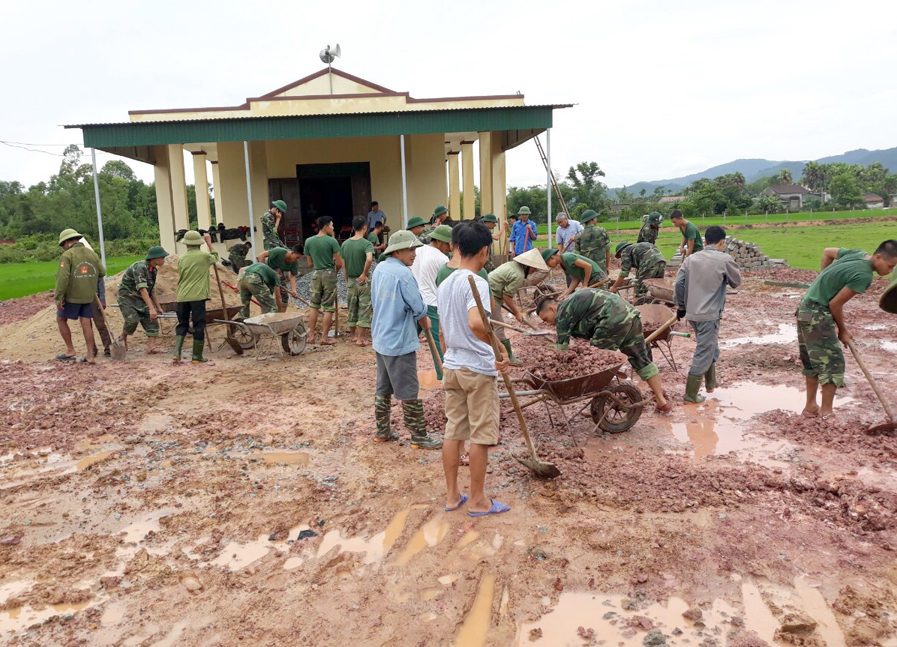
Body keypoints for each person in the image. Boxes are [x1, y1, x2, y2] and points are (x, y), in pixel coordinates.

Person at [437, 221, 511, 516]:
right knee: (480, 434)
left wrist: (451, 357)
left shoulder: (445, 284)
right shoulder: (476, 281)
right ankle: (479, 500)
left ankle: (453, 496)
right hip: (477, 369)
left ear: (455, 247)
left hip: (453, 366)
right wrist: (498, 347)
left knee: (453, 430)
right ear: (483, 252)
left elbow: (444, 332)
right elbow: (477, 323)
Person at [795, 240, 897, 420]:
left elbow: (827, 252)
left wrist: (822, 280)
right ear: (878, 257)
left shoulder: (857, 253)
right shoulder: (864, 276)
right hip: (818, 313)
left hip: (804, 308)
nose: (889, 272)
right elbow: (835, 304)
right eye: (889, 266)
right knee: (834, 362)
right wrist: (843, 330)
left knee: (811, 360)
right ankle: (826, 412)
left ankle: (810, 407)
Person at [536, 289, 672, 413]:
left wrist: (552, 368)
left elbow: (561, 349)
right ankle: (662, 402)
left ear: (552, 308)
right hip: (630, 314)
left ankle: (597, 407)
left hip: (611, 320)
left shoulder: (562, 313)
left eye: (546, 319)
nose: (549, 323)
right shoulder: (571, 303)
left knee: (598, 364)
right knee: (641, 359)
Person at [371, 230, 442, 449]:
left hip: (381, 338)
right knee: (409, 390)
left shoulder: (380, 269)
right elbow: (418, 307)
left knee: (383, 388)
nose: (414, 254)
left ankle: (382, 431)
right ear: (398, 251)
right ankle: (419, 436)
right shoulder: (403, 275)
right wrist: (424, 321)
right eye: (411, 250)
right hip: (399, 342)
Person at [674, 226, 742, 403]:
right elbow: (736, 282)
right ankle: (691, 394)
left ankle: (711, 383)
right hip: (709, 315)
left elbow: (679, 284)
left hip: (692, 313)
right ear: (721, 243)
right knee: (704, 350)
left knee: (710, 345)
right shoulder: (725, 259)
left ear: (704, 242)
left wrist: (681, 306)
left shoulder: (691, 259)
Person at [487, 248, 549, 363]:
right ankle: (506, 356)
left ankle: (492, 352)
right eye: (534, 268)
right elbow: (507, 296)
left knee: (490, 325)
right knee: (498, 326)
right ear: (528, 266)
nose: (534, 271)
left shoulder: (512, 265)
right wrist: (516, 312)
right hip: (490, 295)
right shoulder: (518, 274)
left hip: (491, 292)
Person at [54, 229, 104, 363]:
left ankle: (70, 350)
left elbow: (63, 278)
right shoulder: (92, 254)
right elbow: (102, 272)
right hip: (88, 295)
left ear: (66, 242)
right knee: (86, 323)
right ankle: (90, 355)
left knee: (60, 319)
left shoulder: (67, 255)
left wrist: (58, 297)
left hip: (72, 296)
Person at [411, 224, 453, 380]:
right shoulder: (441, 259)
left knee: (407, 340)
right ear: (440, 241)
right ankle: (444, 376)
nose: (450, 247)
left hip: (416, 301)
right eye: (448, 243)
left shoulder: (419, 250)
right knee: (438, 343)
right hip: (433, 304)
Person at [174, 230, 218, 363]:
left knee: (183, 324)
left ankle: (177, 353)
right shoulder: (204, 256)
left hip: (182, 295)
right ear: (199, 243)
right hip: (198, 295)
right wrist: (210, 243)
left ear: (186, 244)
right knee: (199, 324)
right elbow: (215, 257)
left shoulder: (181, 258)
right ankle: (196, 356)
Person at [118, 246, 168, 355]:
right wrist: (151, 308)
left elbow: (151, 290)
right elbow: (142, 289)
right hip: (127, 298)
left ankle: (151, 347)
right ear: (154, 258)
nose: (164, 260)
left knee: (152, 322)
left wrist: (158, 307)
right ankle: (123, 336)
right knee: (132, 321)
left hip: (141, 299)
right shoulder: (139, 267)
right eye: (162, 257)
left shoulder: (153, 270)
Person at [304, 216, 343, 345]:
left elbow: (309, 263)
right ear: (326, 227)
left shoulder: (309, 241)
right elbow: (339, 262)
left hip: (315, 274)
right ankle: (324, 337)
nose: (333, 228)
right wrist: (333, 271)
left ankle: (311, 336)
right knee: (327, 307)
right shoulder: (332, 242)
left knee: (314, 306)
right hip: (328, 274)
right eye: (332, 225)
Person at [341, 216, 375, 346]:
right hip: (363, 281)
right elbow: (369, 259)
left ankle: (353, 336)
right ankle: (361, 339)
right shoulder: (366, 244)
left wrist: (346, 279)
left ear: (353, 228)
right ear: (365, 227)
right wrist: (364, 273)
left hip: (351, 280)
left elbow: (343, 264)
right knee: (364, 308)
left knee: (352, 307)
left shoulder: (345, 244)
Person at [541, 248, 608, 300]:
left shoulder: (567, 257)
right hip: (590, 281)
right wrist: (565, 294)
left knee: (600, 301)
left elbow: (588, 266)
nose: (549, 266)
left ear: (552, 258)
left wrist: (585, 284)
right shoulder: (563, 265)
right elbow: (575, 279)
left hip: (597, 278)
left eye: (547, 263)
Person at [257, 246, 301, 311]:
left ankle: (281, 316)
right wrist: (263, 271)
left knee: (284, 296)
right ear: (292, 253)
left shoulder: (295, 263)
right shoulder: (279, 251)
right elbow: (261, 255)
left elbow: (292, 276)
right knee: (266, 295)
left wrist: (294, 290)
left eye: (299, 258)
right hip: (268, 272)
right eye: (297, 257)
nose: (296, 260)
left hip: (279, 275)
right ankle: (264, 316)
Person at [575, 210, 611, 274]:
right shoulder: (602, 231)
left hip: (586, 270)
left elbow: (577, 256)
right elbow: (607, 251)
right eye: (596, 218)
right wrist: (607, 267)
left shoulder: (578, 235)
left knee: (588, 284)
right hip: (601, 268)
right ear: (592, 219)